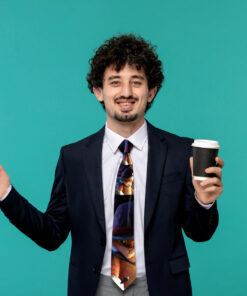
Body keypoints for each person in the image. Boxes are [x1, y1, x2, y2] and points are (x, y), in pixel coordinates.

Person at [0, 34, 224, 296]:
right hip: (95, 287)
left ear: (151, 91)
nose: (126, 92)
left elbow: (200, 233)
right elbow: (52, 234)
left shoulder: (181, 152)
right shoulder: (73, 158)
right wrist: (6, 194)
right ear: (98, 91)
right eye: (115, 82)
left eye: (136, 82)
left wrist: (204, 202)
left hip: (162, 286)